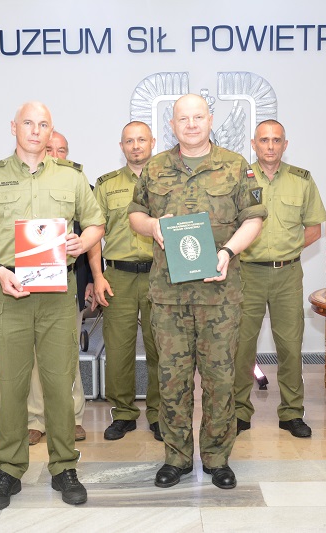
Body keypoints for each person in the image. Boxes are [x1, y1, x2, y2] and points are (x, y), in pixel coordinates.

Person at [0, 101, 105, 511]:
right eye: (28, 123)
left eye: (43, 124)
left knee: (59, 384)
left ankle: (64, 467)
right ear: (14, 127)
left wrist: (82, 242)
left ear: (51, 130)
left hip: (58, 297)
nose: (35, 130)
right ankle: (8, 469)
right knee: (13, 387)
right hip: (10, 294)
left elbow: (96, 222)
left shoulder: (72, 177)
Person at [128, 94, 266, 490]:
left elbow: (254, 219)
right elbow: (135, 213)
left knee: (220, 379)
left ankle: (217, 458)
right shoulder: (155, 167)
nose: (191, 124)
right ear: (172, 125)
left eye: (198, 117)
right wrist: (152, 226)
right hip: (168, 296)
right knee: (172, 380)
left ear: (210, 120)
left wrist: (228, 252)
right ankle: (176, 458)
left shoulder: (236, 166)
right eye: (183, 118)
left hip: (219, 297)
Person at [233, 119, 326, 439]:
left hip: (287, 274)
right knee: (242, 346)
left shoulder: (302, 180)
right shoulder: (239, 179)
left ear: (285, 145)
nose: (270, 146)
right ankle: (239, 411)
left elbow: (314, 228)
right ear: (253, 144)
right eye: (264, 140)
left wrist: (286, 250)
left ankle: (291, 413)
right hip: (247, 274)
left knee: (290, 346)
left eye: (276, 140)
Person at [87, 121, 160, 442]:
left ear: (152, 142)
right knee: (118, 350)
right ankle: (123, 414)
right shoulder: (107, 185)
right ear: (121, 146)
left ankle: (159, 413)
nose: (136, 146)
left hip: (161, 275)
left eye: (141, 140)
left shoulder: (167, 181)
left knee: (161, 349)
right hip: (118, 275)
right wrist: (98, 276)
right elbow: (94, 233)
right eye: (129, 141)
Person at [26, 130, 87, 446]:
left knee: (68, 354)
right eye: (49, 149)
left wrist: (92, 281)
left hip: (70, 283)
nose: (55, 154)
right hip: (30, 282)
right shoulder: (26, 188)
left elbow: (93, 238)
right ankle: (36, 419)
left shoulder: (80, 186)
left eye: (61, 149)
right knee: (35, 356)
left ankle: (72, 418)